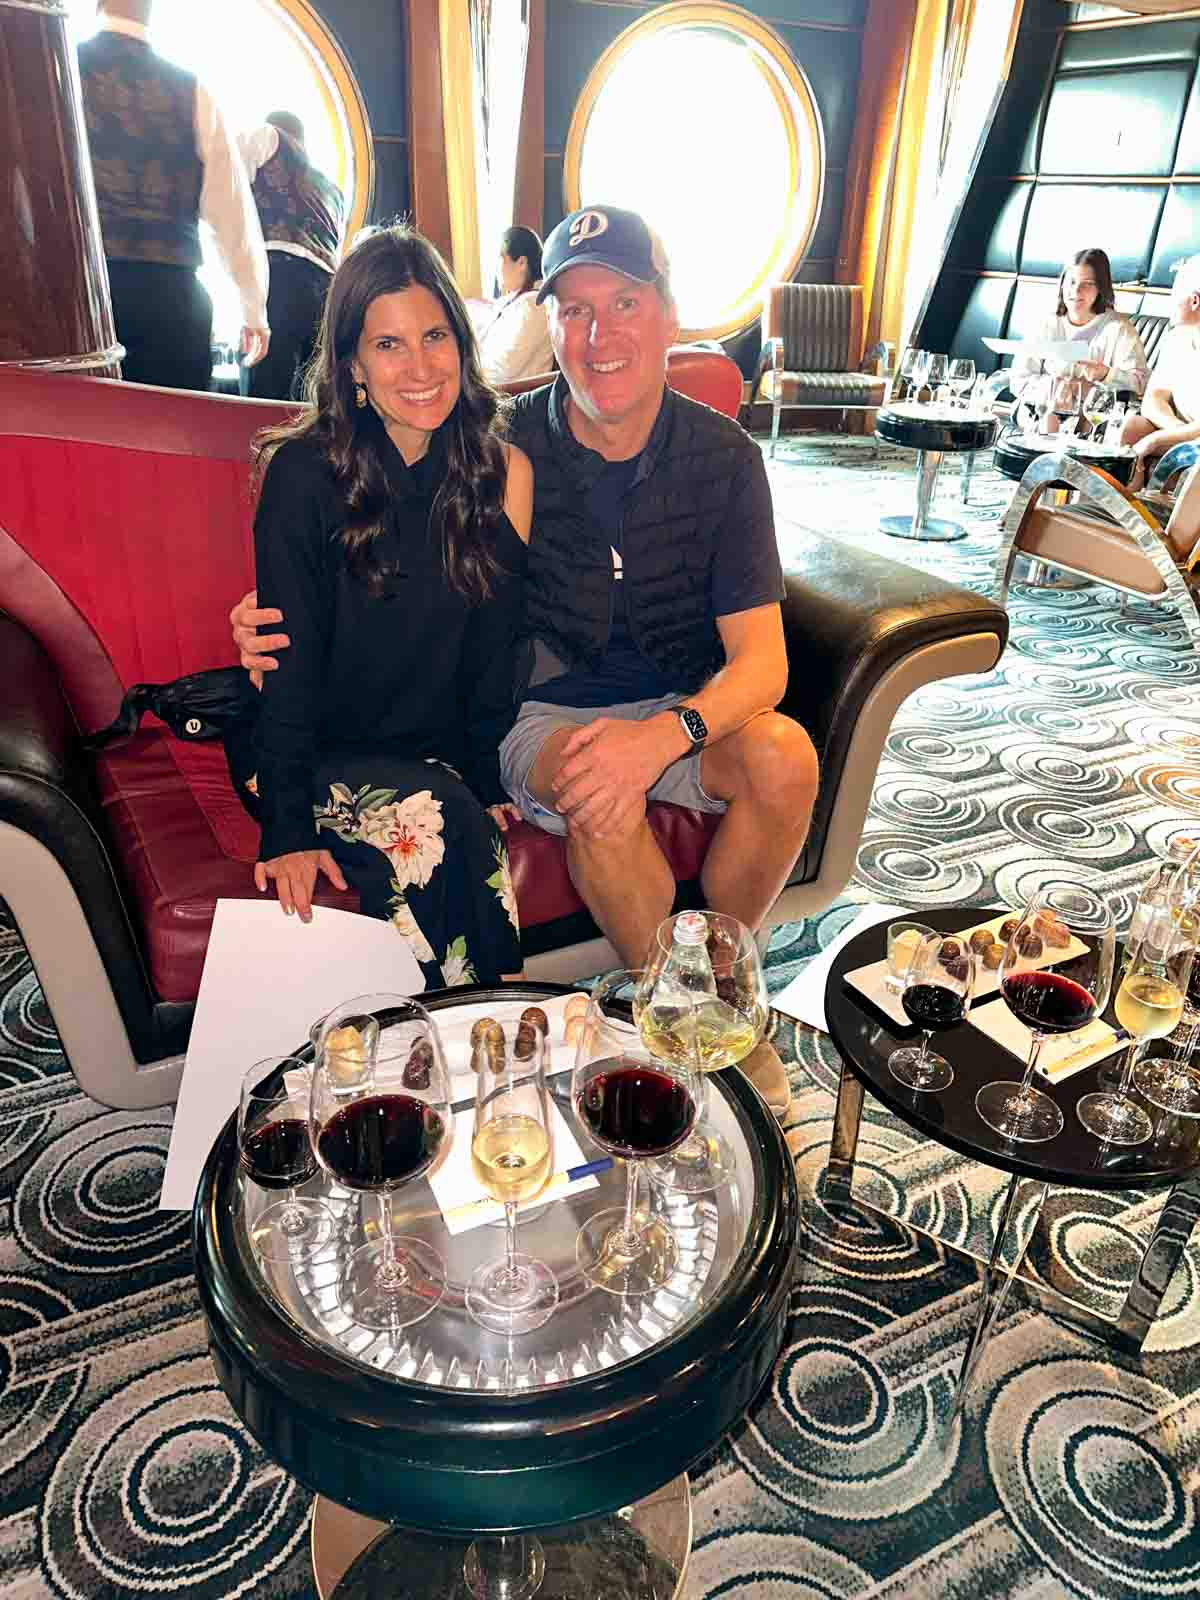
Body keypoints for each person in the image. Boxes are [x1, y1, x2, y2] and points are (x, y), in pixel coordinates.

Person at [232, 205, 817, 996]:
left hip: (629, 712)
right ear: (353, 365)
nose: (600, 336)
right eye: (575, 310)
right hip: (459, 727)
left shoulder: (530, 463)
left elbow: (496, 639)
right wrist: (281, 635)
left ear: (670, 317)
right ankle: (661, 1012)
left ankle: (721, 989)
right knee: (534, 804)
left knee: (784, 759)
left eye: (625, 304)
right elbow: (333, 617)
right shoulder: (425, 455)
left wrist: (641, 741)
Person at [239, 225, 531, 988]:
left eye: (435, 335)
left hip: (426, 753)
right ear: (353, 366)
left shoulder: (499, 472)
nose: (422, 366)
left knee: (448, 812)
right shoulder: (303, 473)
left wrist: (485, 773)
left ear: (462, 346)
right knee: (438, 823)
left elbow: (493, 651)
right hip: (316, 751)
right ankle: (474, 1027)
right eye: (389, 345)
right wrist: (287, 830)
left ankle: (438, 1045)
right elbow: (287, 666)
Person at [78, 0, 269, 391]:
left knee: (73, 440)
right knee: (164, 440)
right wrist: (253, 310)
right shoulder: (193, 90)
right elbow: (230, 212)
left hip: (76, 296)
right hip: (172, 300)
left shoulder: (52, 70)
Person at [240, 111, 345, 400]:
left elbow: (228, 179)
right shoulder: (332, 191)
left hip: (279, 277)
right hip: (327, 290)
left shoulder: (269, 138)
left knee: (263, 395)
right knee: (315, 400)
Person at [1010, 248, 1148, 431]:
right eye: (1071, 282)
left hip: (1094, 418)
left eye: (1087, 284)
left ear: (1101, 288)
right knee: (1050, 415)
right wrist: (1060, 387)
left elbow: (1140, 384)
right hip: (1039, 410)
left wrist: (1105, 374)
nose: (1076, 291)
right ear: (1061, 284)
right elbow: (1018, 380)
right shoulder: (1045, 324)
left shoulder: (1119, 329)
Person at [1120, 255, 1200, 469]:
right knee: (1133, 427)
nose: (1172, 301)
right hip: (1187, 432)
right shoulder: (1178, 338)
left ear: (1194, 301)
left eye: (1176, 294)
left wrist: (1157, 439)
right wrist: (1175, 431)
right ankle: (1122, 502)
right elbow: (1153, 398)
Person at [471, 226, 554, 384]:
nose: (496, 269)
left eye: (500, 258)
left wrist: (464, 374)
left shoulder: (534, 305)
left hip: (510, 397)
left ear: (521, 262)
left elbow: (504, 370)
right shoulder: (514, 302)